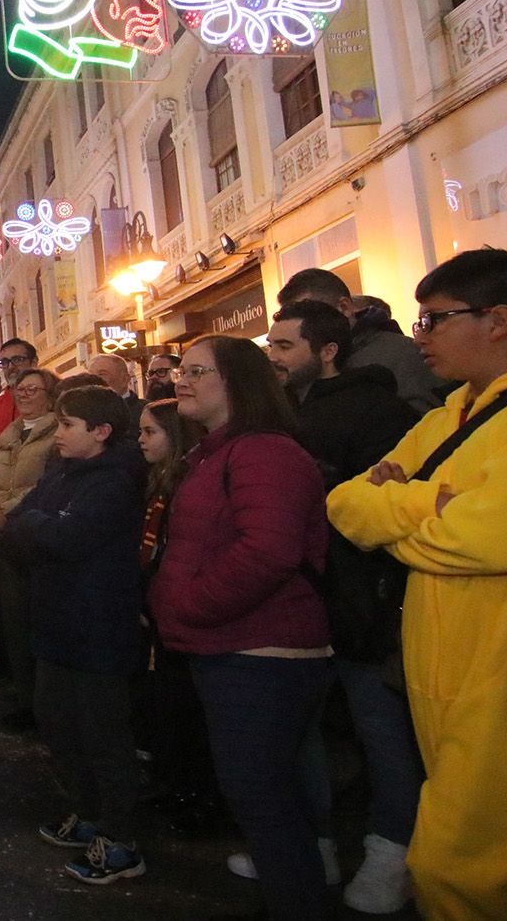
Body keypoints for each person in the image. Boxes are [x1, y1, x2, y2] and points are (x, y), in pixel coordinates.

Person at [327, 248, 507, 921]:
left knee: (456, 869)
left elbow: (479, 536)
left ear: (498, 319)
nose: (422, 336)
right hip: (430, 669)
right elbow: (348, 504)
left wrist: (403, 508)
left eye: (435, 319)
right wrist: (430, 503)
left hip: (501, 676)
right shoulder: (447, 415)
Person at [149, 335, 332, 921]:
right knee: (265, 796)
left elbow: (268, 553)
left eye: (198, 371)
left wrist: (188, 606)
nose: (182, 379)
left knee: (265, 799)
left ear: (238, 383)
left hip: (262, 651)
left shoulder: (264, 453)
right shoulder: (212, 453)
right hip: (232, 646)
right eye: (182, 369)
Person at [266, 300, 422, 914]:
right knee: (311, 727)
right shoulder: (286, 412)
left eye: (285, 347)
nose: (273, 357)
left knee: (380, 730)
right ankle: (319, 842)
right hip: (306, 597)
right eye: (271, 347)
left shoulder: (373, 410)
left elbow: (388, 502)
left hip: (360, 597)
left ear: (327, 351)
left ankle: (393, 849)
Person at [6, 386, 147, 885]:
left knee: (103, 734)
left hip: (96, 625)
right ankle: (87, 812)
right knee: (60, 724)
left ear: (101, 432)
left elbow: (68, 538)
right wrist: (39, 525)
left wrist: (38, 526)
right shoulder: (61, 472)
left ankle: (121, 837)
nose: (58, 432)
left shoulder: (114, 481)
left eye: (68, 424)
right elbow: (20, 520)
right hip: (56, 620)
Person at [135, 400, 221, 832]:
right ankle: (179, 784)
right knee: (171, 701)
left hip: (182, 610)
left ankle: (201, 798)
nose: (141, 441)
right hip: (161, 605)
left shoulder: (186, 483)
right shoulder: (158, 480)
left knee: (190, 706)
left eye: (151, 432)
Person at [0, 368, 62, 730]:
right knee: (14, 624)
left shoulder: (57, 434)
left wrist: (5, 516)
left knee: (38, 624)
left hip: (31, 538)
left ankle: (47, 707)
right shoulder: (9, 436)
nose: (23, 395)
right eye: (19, 389)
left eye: (32, 389)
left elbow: (45, 486)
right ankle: (26, 699)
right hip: (5, 542)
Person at [277, 267, 445, 414]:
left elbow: (426, 422)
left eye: (310, 315)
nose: (299, 326)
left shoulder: (401, 354)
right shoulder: (307, 364)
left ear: (344, 307)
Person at [0, 339, 38, 473]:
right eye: (4, 362)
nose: (10, 367)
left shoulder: (50, 399)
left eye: (18, 360)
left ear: (33, 362)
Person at [87, 352, 144, 423]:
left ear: (124, 379)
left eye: (102, 374)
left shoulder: (145, 412)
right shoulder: (85, 414)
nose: (93, 379)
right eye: (91, 375)